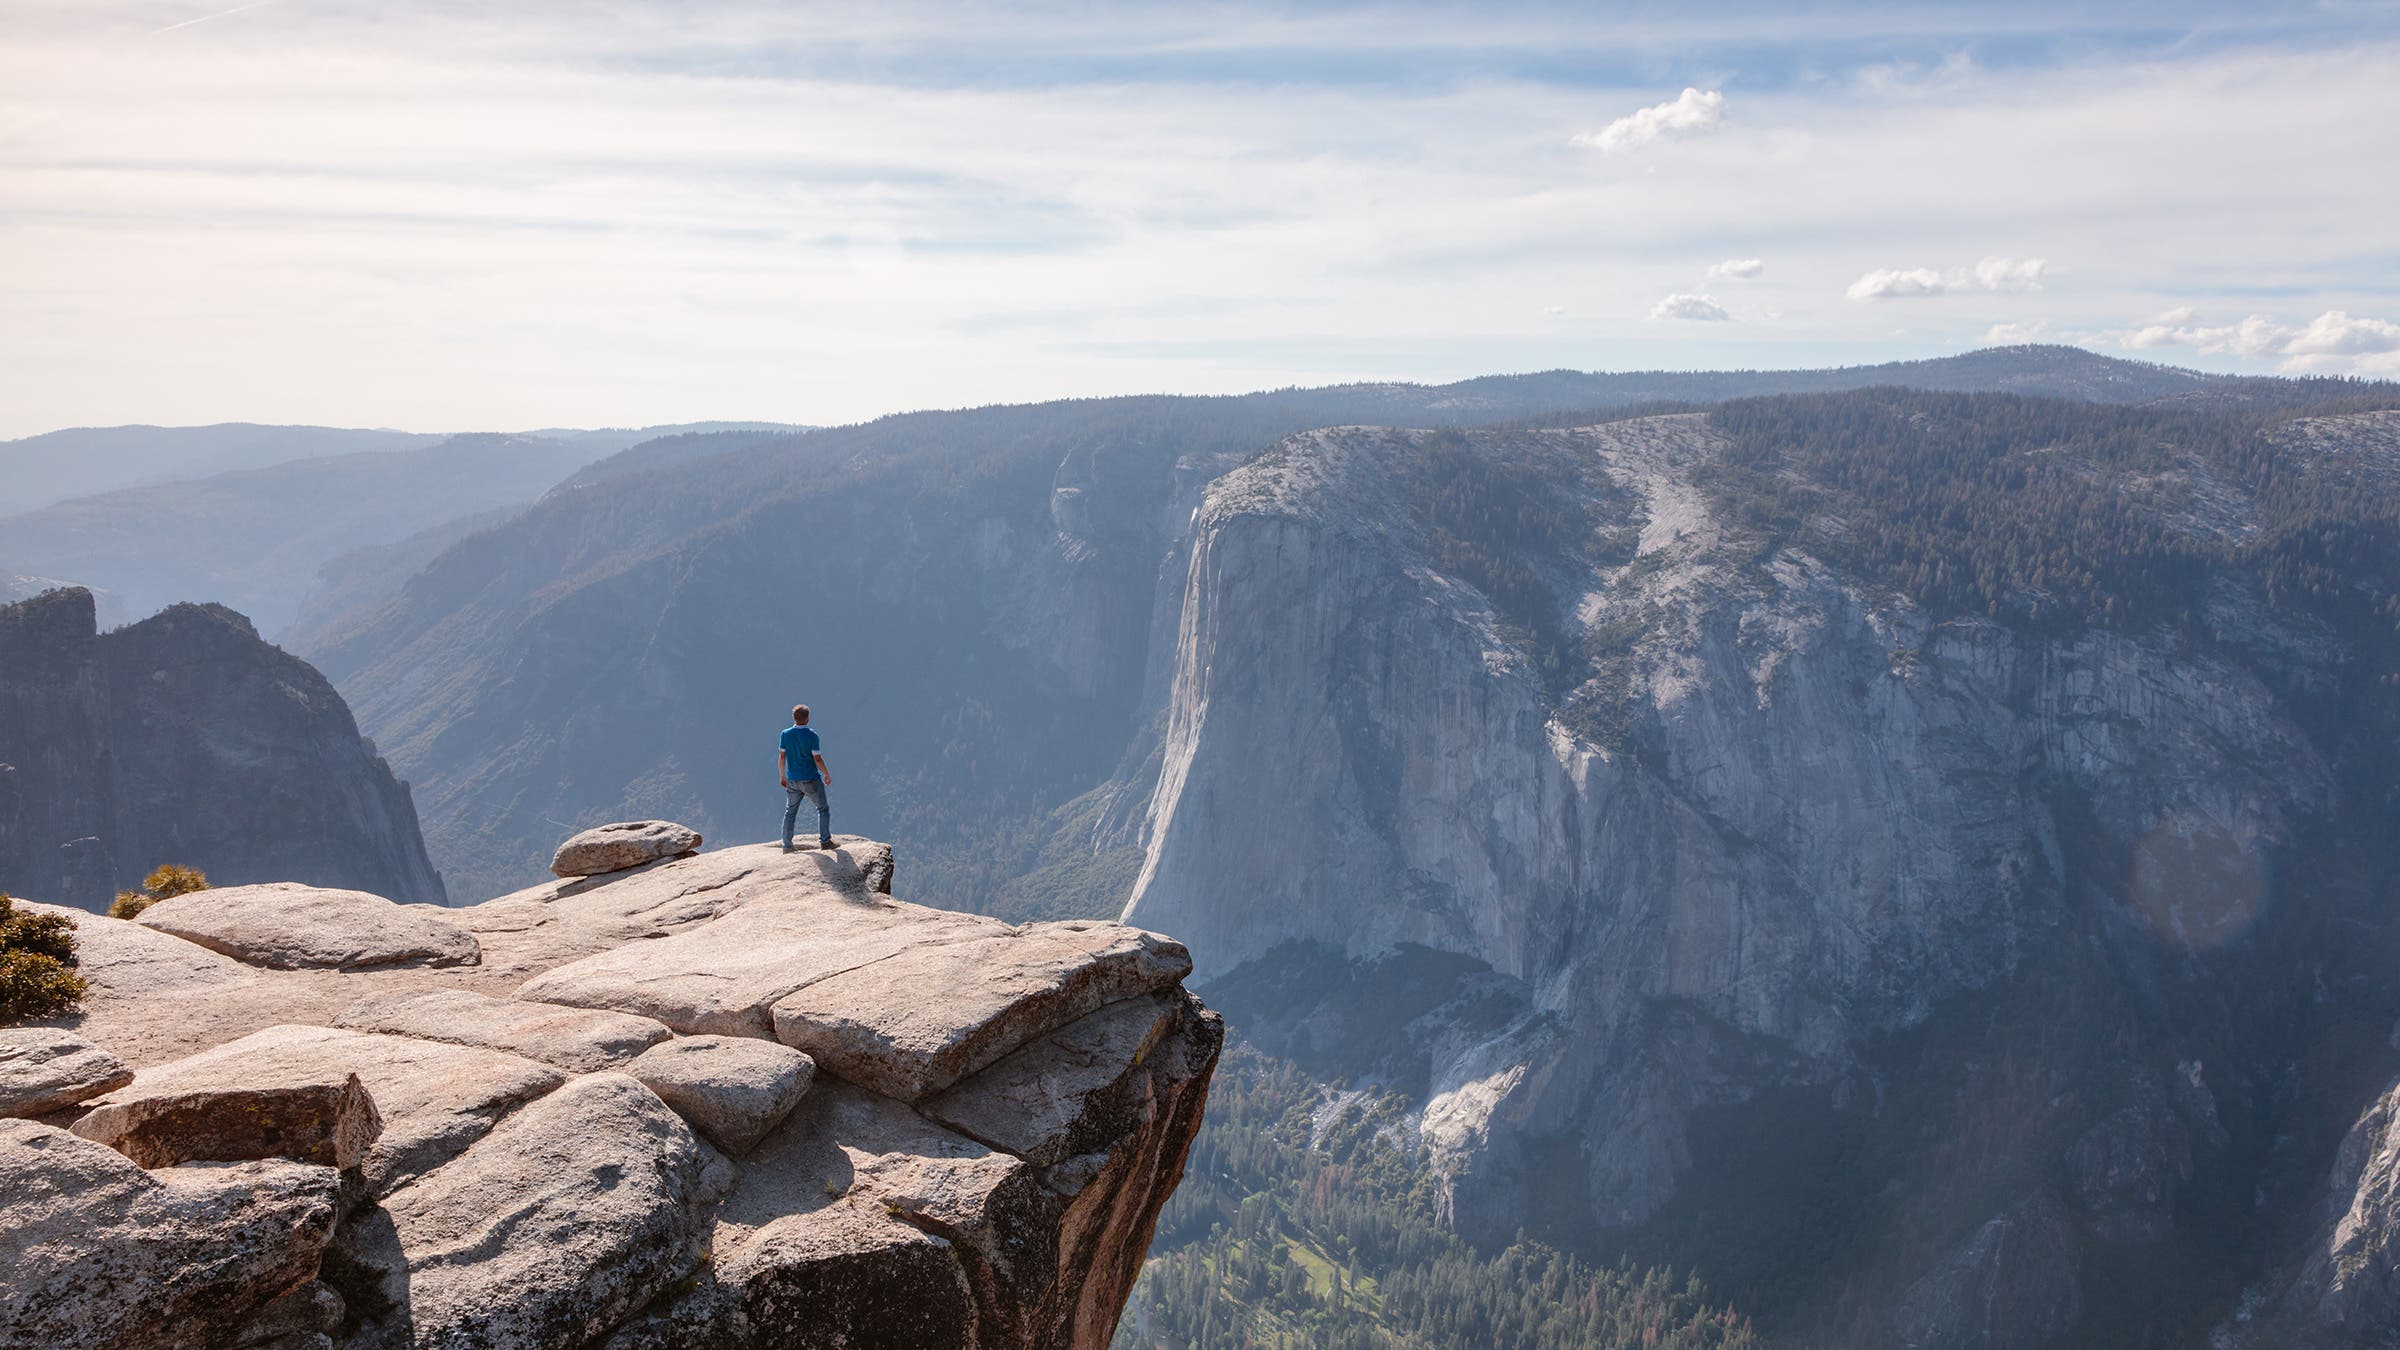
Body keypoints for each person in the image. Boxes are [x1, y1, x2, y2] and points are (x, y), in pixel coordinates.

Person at [778, 703, 833, 851]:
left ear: (794, 718)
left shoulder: (785, 734)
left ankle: (787, 845)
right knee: (823, 809)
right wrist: (826, 774)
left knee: (790, 811)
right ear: (807, 718)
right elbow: (817, 759)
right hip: (810, 779)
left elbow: (782, 757)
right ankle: (825, 841)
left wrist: (782, 775)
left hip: (792, 779)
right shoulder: (812, 735)